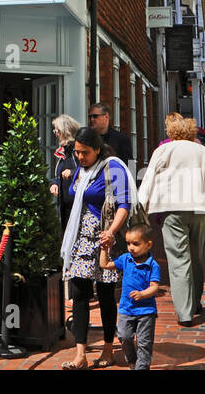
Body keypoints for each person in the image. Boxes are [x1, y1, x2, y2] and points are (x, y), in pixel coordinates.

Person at [137, 112, 205, 326]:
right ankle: (195, 301)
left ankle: (185, 312)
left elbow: (149, 177)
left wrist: (141, 209)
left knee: (179, 259)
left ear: (171, 132)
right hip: (200, 209)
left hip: (172, 210)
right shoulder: (202, 151)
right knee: (197, 256)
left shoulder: (163, 150)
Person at [59, 126, 133, 369]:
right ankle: (80, 354)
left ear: (97, 150)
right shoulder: (81, 169)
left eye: (85, 153)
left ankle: (108, 348)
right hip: (80, 236)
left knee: (105, 294)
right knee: (79, 294)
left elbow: (124, 204)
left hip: (104, 237)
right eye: (77, 152)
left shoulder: (113, 168)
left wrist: (110, 233)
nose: (80, 157)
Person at [99, 223, 161, 370]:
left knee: (144, 343)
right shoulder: (126, 259)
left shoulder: (153, 265)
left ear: (148, 244)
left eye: (136, 244)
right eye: (128, 243)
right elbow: (105, 264)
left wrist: (142, 294)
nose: (131, 247)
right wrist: (104, 249)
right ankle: (132, 361)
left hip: (146, 311)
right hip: (126, 309)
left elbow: (155, 287)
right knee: (124, 336)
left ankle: (142, 367)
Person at [47, 114, 83, 223]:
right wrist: (54, 184)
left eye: (57, 131)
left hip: (77, 206)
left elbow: (88, 171)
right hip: (65, 207)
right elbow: (59, 175)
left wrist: (72, 172)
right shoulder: (65, 152)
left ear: (65, 131)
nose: (56, 134)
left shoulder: (77, 150)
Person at [88, 102, 133, 168]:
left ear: (106, 116)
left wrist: (132, 178)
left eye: (95, 116)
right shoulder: (88, 138)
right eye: (90, 116)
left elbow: (130, 165)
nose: (92, 119)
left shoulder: (122, 139)